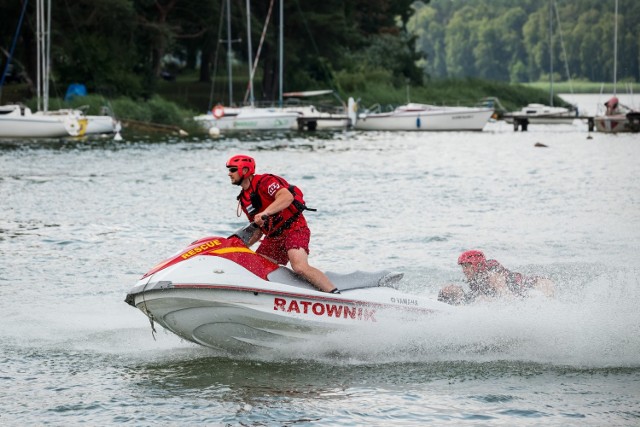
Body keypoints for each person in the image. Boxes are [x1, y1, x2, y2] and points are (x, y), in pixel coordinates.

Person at [226, 154, 339, 294]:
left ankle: (334, 294)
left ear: (244, 170)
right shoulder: (244, 199)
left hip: (294, 228)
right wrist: (237, 248)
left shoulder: (265, 181)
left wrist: (265, 213)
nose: (229, 174)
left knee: (299, 267)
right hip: (273, 237)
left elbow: (286, 196)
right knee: (255, 269)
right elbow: (258, 230)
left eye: (232, 169)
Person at [438, 249, 554, 305]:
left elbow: (509, 299)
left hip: (540, 285)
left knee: (484, 300)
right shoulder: (476, 280)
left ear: (477, 265)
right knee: (448, 290)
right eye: (463, 267)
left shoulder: (493, 275)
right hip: (522, 293)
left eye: (467, 266)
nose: (464, 270)